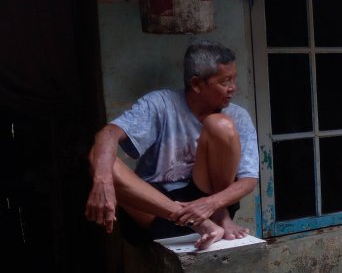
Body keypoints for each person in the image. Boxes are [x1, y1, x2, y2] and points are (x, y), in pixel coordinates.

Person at [84, 41, 259, 250]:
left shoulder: (237, 115)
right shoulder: (160, 104)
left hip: (208, 206)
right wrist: (102, 181)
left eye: (234, 79)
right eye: (225, 81)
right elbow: (108, 133)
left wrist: (212, 204)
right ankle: (200, 224)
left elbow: (249, 179)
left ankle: (220, 219)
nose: (233, 88)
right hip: (156, 210)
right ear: (196, 84)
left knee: (220, 125)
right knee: (103, 160)